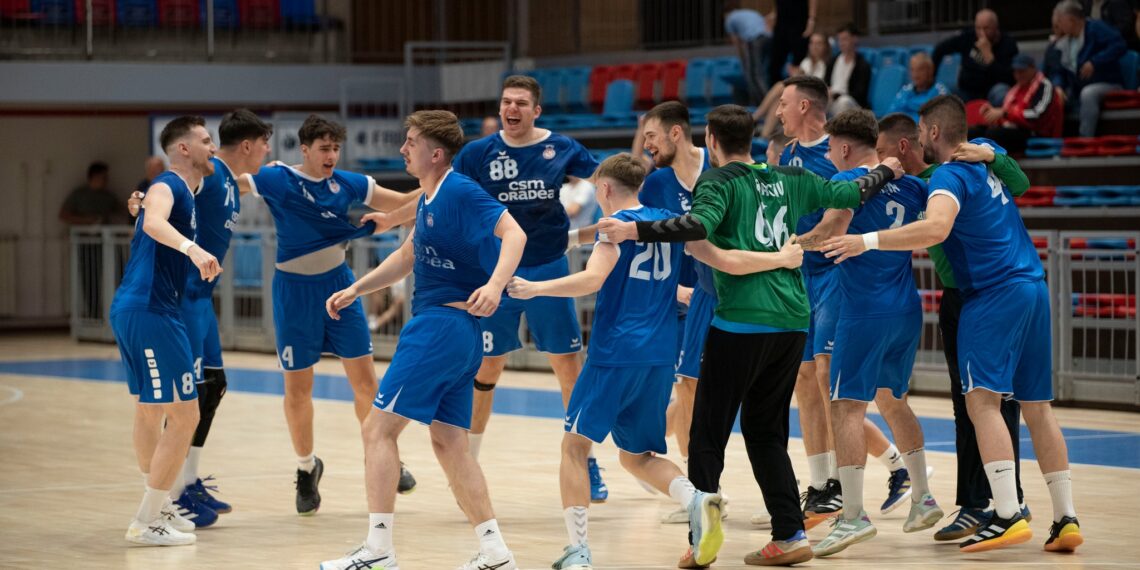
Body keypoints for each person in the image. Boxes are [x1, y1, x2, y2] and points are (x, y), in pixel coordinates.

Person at [598, 104, 904, 568]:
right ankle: (789, 533)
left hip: (741, 321)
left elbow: (696, 225)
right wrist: (883, 169)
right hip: (791, 323)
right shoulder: (788, 179)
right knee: (766, 431)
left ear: (712, 140)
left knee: (706, 433)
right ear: (751, 140)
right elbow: (849, 191)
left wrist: (633, 229)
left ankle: (701, 536)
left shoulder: (718, 182)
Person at [822, 94, 1082, 554]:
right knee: (1036, 406)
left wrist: (865, 240)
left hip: (991, 292)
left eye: (923, 131)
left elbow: (937, 228)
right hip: (1032, 283)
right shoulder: (981, 156)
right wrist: (996, 152)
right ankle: (1065, 518)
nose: (919, 139)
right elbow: (1017, 182)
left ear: (933, 133)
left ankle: (1006, 511)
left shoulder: (945, 176)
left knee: (981, 403)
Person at [320, 110, 527, 570]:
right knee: (449, 442)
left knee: (378, 429)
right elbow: (407, 255)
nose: (402, 149)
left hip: (440, 328)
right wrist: (357, 288)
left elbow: (515, 233)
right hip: (459, 335)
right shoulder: (430, 199)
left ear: (435, 153)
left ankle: (378, 550)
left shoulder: (458, 189)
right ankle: (494, 550)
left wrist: (494, 285)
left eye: (410, 141)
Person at [509, 153, 720, 570]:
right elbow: (668, 273)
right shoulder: (664, 220)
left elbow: (592, 279)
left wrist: (535, 288)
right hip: (659, 355)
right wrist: (679, 294)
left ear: (604, 188)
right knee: (636, 456)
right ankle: (696, 499)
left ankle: (579, 550)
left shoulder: (614, 230)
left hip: (615, 352)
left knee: (574, 446)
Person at [237, 114, 420, 515]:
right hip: (294, 293)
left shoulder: (350, 183)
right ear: (304, 150)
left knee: (366, 382)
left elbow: (408, 203)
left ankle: (386, 454)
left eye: (336, 148)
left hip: (339, 285)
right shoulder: (277, 178)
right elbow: (228, 185)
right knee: (298, 390)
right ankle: (306, 468)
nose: (331, 155)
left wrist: (442, 183)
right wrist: (172, 189)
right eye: (324, 148)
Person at [876, 112, 1034, 542]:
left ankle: (989, 502)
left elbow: (1019, 183)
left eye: (882, 150)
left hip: (981, 294)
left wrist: (990, 155)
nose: (879, 158)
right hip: (968, 294)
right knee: (981, 403)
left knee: (990, 403)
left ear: (911, 143)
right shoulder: (917, 184)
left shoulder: (959, 170)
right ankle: (998, 500)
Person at [451, 75, 608, 500]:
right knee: (486, 369)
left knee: (569, 368)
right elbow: (445, 194)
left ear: (536, 110)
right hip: (495, 273)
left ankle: (587, 462)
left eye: (521, 102)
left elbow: (606, 181)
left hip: (548, 269)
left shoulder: (561, 148)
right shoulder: (476, 154)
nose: (512, 108)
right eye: (506, 101)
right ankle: (468, 461)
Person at [807, 109, 943, 557]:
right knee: (892, 399)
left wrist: (788, 243)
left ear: (845, 148)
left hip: (862, 311)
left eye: (830, 148)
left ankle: (851, 517)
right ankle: (922, 497)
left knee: (844, 408)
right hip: (906, 308)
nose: (828, 155)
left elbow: (829, 232)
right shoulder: (914, 186)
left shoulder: (850, 188)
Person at [110, 115, 221, 546]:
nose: (212, 147)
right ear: (183, 149)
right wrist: (193, 249)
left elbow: (147, 218)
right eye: (206, 140)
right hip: (152, 310)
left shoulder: (185, 193)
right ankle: (146, 520)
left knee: (150, 410)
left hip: (137, 308)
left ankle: (157, 508)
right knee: (186, 414)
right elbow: (154, 222)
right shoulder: (168, 185)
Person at [631, 102, 711, 518]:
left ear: (676, 133)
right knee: (689, 387)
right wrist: (673, 289)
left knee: (699, 389)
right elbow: (643, 238)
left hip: (725, 291)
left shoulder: (718, 165)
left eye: (651, 136)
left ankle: (649, 458)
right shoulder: (657, 182)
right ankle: (696, 489)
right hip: (681, 300)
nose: (645, 144)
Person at [1048, 0, 1127, 137]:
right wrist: (1058, 86)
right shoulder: (1066, 41)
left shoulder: (1096, 28)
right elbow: (1059, 70)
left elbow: (1119, 45)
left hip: (1108, 83)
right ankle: (1053, 142)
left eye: (1060, 21)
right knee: (1053, 94)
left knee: (1088, 93)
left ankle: (1085, 139)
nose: (1058, 26)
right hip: (1076, 88)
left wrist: (1095, 62)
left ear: (1071, 20)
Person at [61, 161, 126, 319]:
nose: (106, 180)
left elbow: (123, 212)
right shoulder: (79, 194)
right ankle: (93, 315)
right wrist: (87, 221)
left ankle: (114, 313)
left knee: (115, 275)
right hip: (87, 243)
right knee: (89, 279)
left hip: (108, 244)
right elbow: (64, 215)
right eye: (103, 177)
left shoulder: (108, 196)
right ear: (94, 177)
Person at [970, 54, 1063, 154]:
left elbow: (1037, 115)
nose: (1018, 75)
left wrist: (1005, 113)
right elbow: (1008, 113)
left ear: (1032, 68)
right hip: (1016, 129)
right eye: (1015, 71)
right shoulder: (1016, 89)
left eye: (1022, 71)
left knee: (993, 135)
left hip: (1036, 132)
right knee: (974, 133)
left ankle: (988, 166)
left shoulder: (1045, 86)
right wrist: (994, 116)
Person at [933, 9, 1020, 106]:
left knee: (1001, 92)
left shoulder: (1008, 44)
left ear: (996, 27)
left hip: (992, 92)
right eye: (978, 28)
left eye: (986, 28)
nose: (981, 33)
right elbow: (940, 49)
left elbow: (1009, 78)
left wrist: (989, 57)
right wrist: (932, 77)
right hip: (967, 92)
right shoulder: (968, 37)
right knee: (943, 94)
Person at [752, 32, 830, 138]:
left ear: (825, 46)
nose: (814, 47)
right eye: (812, 43)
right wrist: (796, 75)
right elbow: (802, 81)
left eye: (819, 43)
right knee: (779, 99)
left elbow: (820, 86)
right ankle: (764, 135)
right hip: (802, 96)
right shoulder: (806, 62)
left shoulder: (829, 64)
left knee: (781, 86)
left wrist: (797, 77)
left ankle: (756, 117)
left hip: (818, 100)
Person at [724, 0, 772, 105]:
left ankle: (765, 104)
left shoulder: (729, 19)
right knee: (763, 71)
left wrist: (743, 60)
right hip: (769, 38)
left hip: (754, 39)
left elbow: (737, 42)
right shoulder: (750, 12)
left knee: (753, 74)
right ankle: (768, 100)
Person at [768, 0, 818, 89]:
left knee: (798, 62)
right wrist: (774, 13)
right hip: (781, 22)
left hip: (799, 21)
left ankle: (798, 94)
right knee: (774, 65)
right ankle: (777, 96)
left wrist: (812, 18)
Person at [824, 24, 872, 115]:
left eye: (844, 39)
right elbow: (826, 82)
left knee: (843, 101)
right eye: (839, 40)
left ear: (854, 39)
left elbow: (859, 94)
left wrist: (837, 95)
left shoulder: (862, 65)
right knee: (816, 101)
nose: (841, 43)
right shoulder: (832, 61)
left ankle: (839, 129)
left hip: (853, 103)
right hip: (832, 100)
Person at [888, 52, 951, 121]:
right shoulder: (906, 90)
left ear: (930, 71)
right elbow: (891, 115)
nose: (915, 74)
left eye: (920, 69)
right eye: (912, 69)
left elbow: (942, 120)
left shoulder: (940, 91)